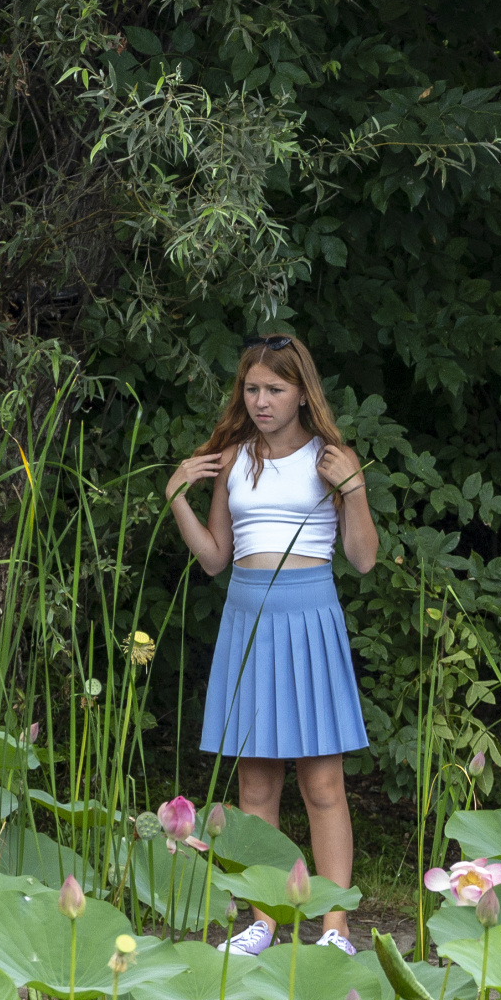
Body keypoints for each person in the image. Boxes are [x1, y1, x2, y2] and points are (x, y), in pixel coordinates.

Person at [163, 335, 378, 957]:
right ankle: (264, 921)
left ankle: (334, 928)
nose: (260, 401)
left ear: (301, 392)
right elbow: (214, 560)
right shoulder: (233, 461)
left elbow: (362, 560)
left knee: (323, 786)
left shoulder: (331, 458)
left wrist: (356, 487)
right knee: (255, 790)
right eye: (251, 388)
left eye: (274, 389)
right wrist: (178, 496)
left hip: (310, 619)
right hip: (248, 618)